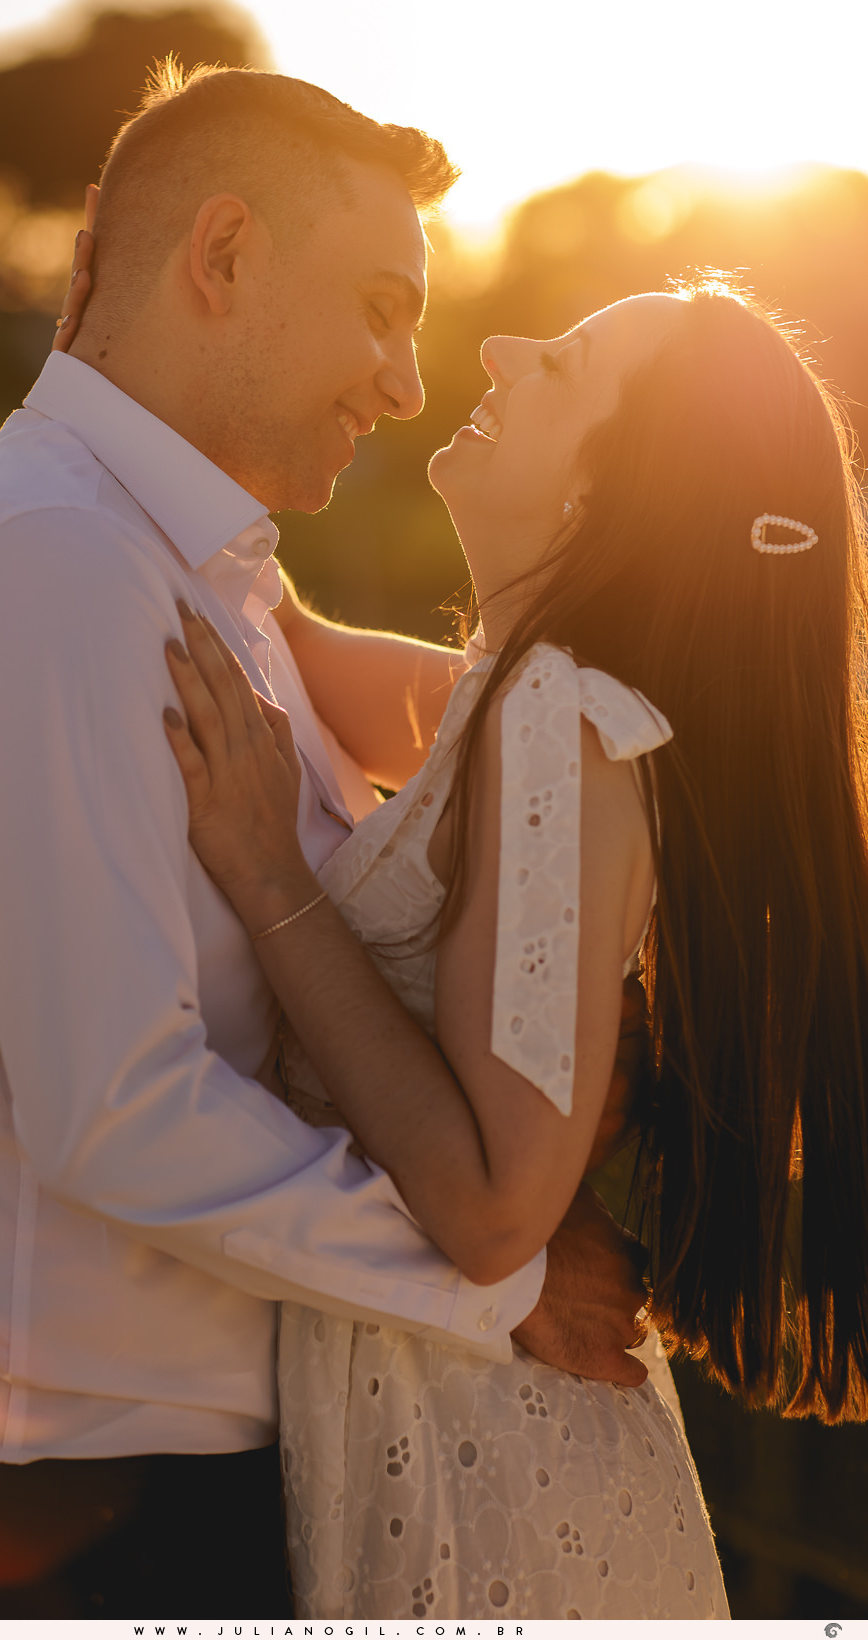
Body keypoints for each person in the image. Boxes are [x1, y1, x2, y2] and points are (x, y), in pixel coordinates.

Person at [0, 66, 650, 1619]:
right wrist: (499, 1278)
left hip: (120, 1469)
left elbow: (462, 723)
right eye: (382, 309)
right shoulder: (55, 573)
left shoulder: (204, 581)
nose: (404, 382)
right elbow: (120, 1108)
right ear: (226, 256)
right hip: (35, 1499)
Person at [162, 278, 868, 1618]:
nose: (496, 349)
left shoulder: (562, 718)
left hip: (484, 1488)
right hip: (481, 1438)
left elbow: (493, 1213)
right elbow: (285, 638)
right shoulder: (518, 693)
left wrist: (267, 876)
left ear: (612, 499)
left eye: (558, 365)